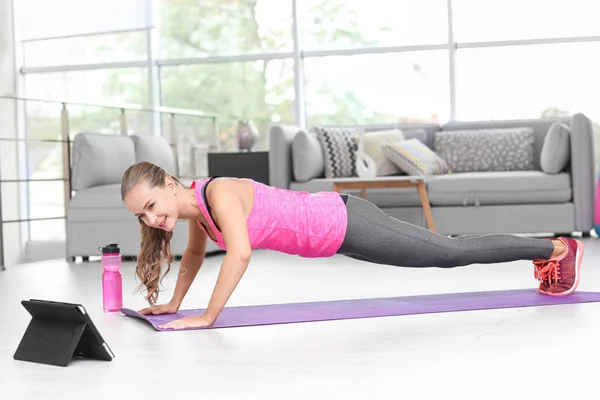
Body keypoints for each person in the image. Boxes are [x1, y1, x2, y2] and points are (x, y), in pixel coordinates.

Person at [120, 161, 584, 330]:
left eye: (151, 204)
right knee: (446, 252)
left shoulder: (217, 192)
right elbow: (197, 255)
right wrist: (175, 304)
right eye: (141, 215)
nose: (151, 218)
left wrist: (206, 317)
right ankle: (549, 252)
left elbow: (238, 253)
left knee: (448, 252)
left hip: (346, 222)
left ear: (168, 181)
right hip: (338, 239)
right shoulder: (196, 209)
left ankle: (556, 250)